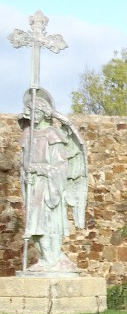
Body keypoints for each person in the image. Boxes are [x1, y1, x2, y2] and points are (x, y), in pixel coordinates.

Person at [19, 87, 87, 273]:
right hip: (32, 186)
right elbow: (23, 163)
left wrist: (39, 169)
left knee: (45, 224)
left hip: (48, 187)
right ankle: (45, 258)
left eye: (35, 112)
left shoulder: (53, 135)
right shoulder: (27, 134)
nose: (32, 116)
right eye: (29, 111)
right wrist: (26, 173)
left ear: (43, 113)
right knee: (32, 227)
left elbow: (60, 167)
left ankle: (52, 259)